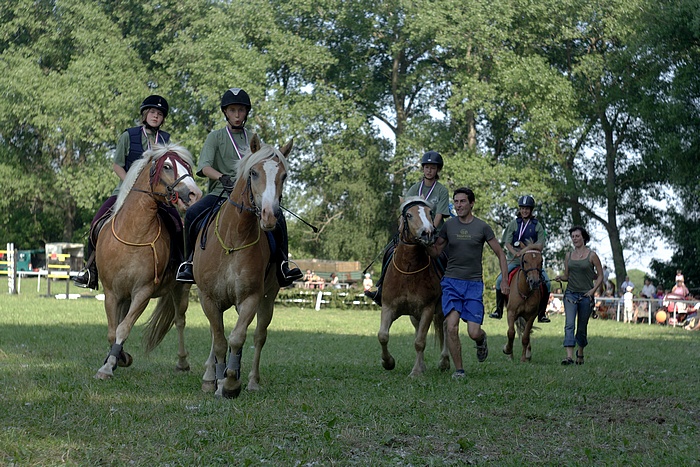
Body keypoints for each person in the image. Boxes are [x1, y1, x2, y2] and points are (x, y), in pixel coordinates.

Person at [175, 88, 302, 286]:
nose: (236, 114)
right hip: (219, 193)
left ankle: (283, 265)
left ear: (246, 113)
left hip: (249, 196)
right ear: (225, 112)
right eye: (232, 110)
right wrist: (222, 177)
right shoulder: (215, 137)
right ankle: (189, 263)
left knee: (279, 219)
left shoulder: (254, 139)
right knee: (192, 214)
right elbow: (204, 167)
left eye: (241, 110)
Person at [74, 95, 171, 289]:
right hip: (124, 192)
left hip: (157, 195)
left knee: (176, 223)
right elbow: (116, 164)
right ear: (145, 114)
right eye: (152, 112)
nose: (155, 116)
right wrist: (130, 182)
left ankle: (177, 266)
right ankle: (90, 271)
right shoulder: (129, 135)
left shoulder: (166, 139)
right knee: (96, 223)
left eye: (159, 114)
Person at [429, 187, 509, 378]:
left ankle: (481, 340)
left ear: (471, 203)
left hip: (473, 285)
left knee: (473, 332)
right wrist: (423, 244)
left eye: (462, 201)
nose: (459, 205)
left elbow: (500, 253)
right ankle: (459, 370)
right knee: (451, 327)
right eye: (456, 202)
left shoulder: (482, 227)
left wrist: (505, 279)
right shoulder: (449, 226)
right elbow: (436, 251)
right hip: (451, 283)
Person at [365, 150, 450, 306]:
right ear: (423, 169)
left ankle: (446, 290)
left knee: (445, 256)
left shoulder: (441, 190)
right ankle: (381, 288)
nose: (429, 170)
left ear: (437, 170)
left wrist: (430, 231)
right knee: (390, 251)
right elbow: (406, 212)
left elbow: (440, 214)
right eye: (426, 167)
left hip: (434, 233)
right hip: (412, 235)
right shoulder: (414, 189)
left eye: (433, 168)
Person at [489, 195, 551, 322]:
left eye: (527, 209)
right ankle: (499, 310)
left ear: (531, 210)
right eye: (522, 208)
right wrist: (514, 252)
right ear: (520, 209)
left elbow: (540, 245)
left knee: (547, 283)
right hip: (515, 260)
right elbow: (507, 243)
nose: (524, 211)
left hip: (532, 262)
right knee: (499, 281)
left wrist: (524, 250)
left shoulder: (537, 225)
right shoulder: (514, 224)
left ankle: (542, 314)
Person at [554, 226, 604, 365]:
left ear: (583, 237)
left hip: (586, 295)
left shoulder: (592, 255)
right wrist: (560, 278)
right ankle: (569, 357)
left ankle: (580, 352)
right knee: (569, 324)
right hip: (570, 294)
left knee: (582, 326)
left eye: (577, 236)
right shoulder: (569, 256)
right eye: (573, 236)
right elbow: (567, 275)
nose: (575, 239)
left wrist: (593, 291)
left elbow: (600, 276)